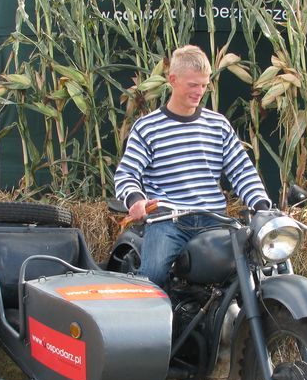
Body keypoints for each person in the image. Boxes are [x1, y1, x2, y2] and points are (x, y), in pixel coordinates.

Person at [113, 45, 272, 288]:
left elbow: (242, 171)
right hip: (168, 222)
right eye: (192, 85)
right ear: (173, 80)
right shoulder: (148, 127)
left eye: (204, 85)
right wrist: (135, 199)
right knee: (152, 279)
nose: (199, 92)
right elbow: (127, 173)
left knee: (253, 271)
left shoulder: (217, 125)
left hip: (215, 221)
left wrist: (261, 206)